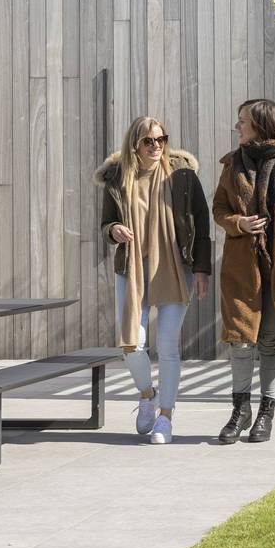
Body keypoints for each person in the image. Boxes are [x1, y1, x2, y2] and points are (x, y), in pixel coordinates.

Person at [95, 117, 212, 444]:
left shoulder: (182, 176)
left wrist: (202, 269)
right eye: (148, 141)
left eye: (161, 139)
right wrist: (114, 230)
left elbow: (201, 225)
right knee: (132, 344)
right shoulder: (117, 179)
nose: (156, 145)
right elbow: (106, 224)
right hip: (132, 268)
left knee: (167, 347)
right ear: (135, 144)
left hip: (174, 267)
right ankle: (147, 395)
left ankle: (165, 418)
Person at [212, 99, 275, 444]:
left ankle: (266, 413)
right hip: (242, 267)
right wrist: (238, 222)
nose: (237, 127)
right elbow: (219, 208)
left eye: (243, 122)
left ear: (262, 125)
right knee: (240, 341)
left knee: (270, 341)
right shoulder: (232, 164)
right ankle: (240, 411)